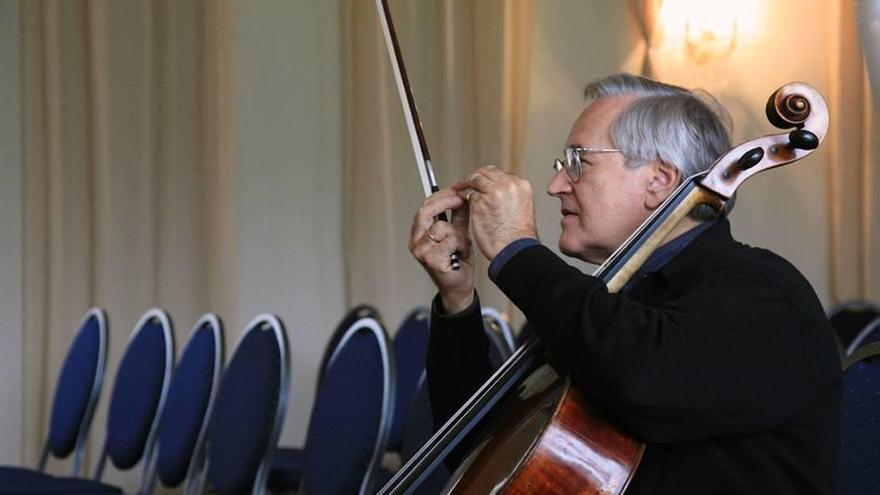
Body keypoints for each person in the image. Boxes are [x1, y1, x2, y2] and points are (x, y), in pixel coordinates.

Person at [408, 73, 841, 494]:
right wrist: (458, 298)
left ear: (659, 181)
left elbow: (645, 380)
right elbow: (480, 448)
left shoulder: (763, 293)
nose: (556, 185)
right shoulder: (611, 299)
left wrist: (517, 250)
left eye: (579, 162)